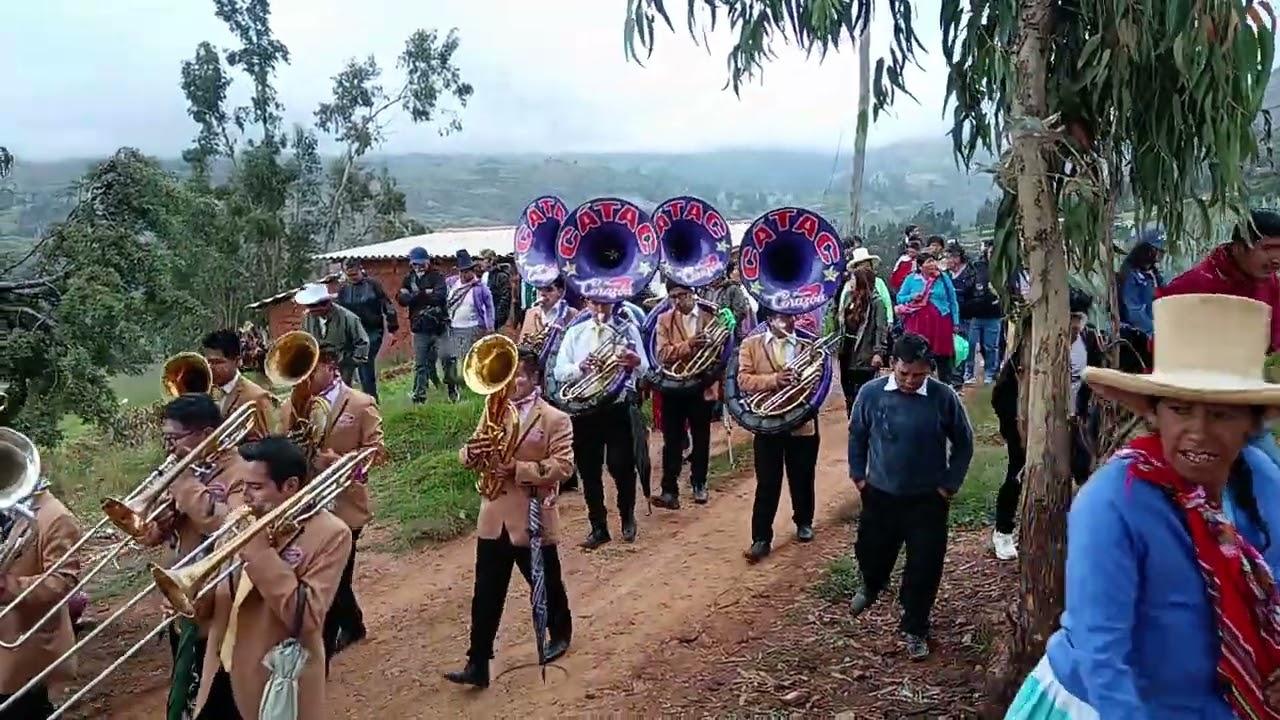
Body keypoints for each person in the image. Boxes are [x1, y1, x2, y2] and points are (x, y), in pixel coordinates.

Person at [1005, 293, 1280, 719]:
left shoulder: (1261, 480)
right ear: (1154, 415)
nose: (1198, 431)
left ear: (1252, 424)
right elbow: (1103, 656)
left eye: (1222, 415)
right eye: (1180, 410)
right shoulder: (1115, 500)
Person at [189, 436, 352, 720]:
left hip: (271, 682)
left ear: (290, 486)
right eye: (242, 486)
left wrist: (260, 553)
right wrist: (192, 601)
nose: (246, 496)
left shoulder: (331, 534)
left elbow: (307, 618)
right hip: (220, 672)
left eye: (256, 487)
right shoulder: (239, 521)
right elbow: (221, 595)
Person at [445, 349, 574, 689]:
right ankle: (478, 661)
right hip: (494, 515)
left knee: (545, 582)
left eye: (519, 375)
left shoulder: (554, 418)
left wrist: (519, 469)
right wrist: (469, 454)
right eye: (509, 374)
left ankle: (560, 632)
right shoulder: (494, 409)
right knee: (485, 591)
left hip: (531, 514)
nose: (511, 382)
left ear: (534, 379)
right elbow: (472, 447)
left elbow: (564, 466)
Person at [847, 333, 974, 660]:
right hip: (880, 494)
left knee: (924, 567)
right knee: (871, 552)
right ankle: (871, 584)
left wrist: (949, 485)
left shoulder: (943, 397)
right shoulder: (871, 394)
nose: (910, 381)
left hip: (927, 499)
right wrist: (859, 476)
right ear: (892, 365)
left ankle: (914, 625)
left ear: (929, 370)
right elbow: (857, 435)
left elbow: (964, 443)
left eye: (918, 375)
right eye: (904, 373)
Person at [136, 393, 248, 720]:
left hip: (217, 601)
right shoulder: (181, 469)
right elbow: (152, 536)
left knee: (217, 694)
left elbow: (230, 524)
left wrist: (185, 485)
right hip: (180, 598)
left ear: (205, 433)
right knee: (187, 688)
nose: (169, 448)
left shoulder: (239, 471)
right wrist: (156, 525)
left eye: (174, 439)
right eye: (165, 439)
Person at [280, 345, 386, 666]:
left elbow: (376, 454)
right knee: (323, 575)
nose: (307, 378)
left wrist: (338, 462)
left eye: (313, 370)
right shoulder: (292, 406)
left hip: (345, 506)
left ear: (330, 366)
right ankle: (352, 624)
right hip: (307, 505)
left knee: (338, 575)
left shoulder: (361, 403)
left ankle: (325, 644)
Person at [989, 296, 1104, 561]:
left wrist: (1088, 418)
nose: (1074, 325)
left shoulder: (1089, 344)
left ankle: (1081, 532)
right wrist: (1016, 426)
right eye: (1069, 317)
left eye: (1079, 318)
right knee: (1020, 473)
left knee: (1083, 473)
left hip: (1074, 423)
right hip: (1032, 424)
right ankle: (1003, 532)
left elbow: (1095, 382)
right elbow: (1002, 392)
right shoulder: (1033, 345)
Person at [552, 300, 649, 548]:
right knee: (589, 471)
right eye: (595, 303)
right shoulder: (575, 332)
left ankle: (627, 516)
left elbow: (646, 369)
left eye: (605, 304)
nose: (600, 309)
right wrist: (579, 368)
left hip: (616, 407)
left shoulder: (628, 331)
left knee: (621, 466)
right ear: (586, 304)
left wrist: (635, 362)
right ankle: (598, 527)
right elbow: (559, 371)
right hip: (584, 411)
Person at [737, 310, 822, 562]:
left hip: (801, 421)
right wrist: (775, 380)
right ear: (768, 320)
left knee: (803, 476)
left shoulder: (808, 345)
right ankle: (761, 538)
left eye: (790, 316)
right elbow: (743, 380)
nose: (787, 322)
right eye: (779, 317)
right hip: (768, 422)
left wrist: (803, 381)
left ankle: (804, 521)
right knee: (767, 482)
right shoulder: (751, 345)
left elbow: (818, 382)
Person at [0, 465, 82, 720]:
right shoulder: (9, 507)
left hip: (25, 642)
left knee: (23, 710)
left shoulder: (56, 517)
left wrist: (7, 586)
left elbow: (62, 581)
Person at [1161, 208, 1280, 352]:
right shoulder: (1191, 287)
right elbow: (1164, 349)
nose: (1276, 260)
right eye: (1268, 249)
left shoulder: (1271, 283)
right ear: (1239, 246)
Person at [651, 281, 718, 509]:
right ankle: (669, 489)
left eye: (682, 295)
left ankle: (699, 482)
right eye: (673, 297)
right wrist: (688, 345)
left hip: (701, 384)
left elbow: (720, 353)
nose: (678, 301)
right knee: (672, 439)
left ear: (693, 294)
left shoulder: (710, 318)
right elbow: (662, 354)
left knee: (701, 437)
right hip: (674, 386)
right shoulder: (664, 320)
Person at [334, 259, 398, 403]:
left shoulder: (373, 285)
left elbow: (388, 306)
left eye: (355, 274)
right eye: (349, 275)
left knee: (365, 364)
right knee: (345, 366)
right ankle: (346, 403)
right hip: (351, 334)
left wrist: (392, 329)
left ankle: (371, 401)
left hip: (372, 331)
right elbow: (338, 312)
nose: (353, 278)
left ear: (360, 270)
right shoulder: (344, 290)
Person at [895, 251, 961, 384]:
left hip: (941, 323)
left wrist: (956, 322)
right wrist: (912, 297)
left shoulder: (943, 278)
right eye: (928, 262)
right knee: (918, 353)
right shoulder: (911, 279)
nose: (932, 264)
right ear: (920, 266)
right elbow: (900, 298)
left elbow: (952, 300)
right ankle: (918, 382)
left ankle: (945, 384)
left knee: (942, 356)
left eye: (933, 261)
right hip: (918, 324)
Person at [443, 250, 495, 403]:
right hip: (453, 326)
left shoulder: (479, 287)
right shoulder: (451, 284)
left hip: (472, 326)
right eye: (465, 271)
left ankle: (474, 384)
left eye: (470, 271)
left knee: (469, 357)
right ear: (460, 272)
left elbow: (489, 306)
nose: (468, 274)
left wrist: (489, 324)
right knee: (453, 358)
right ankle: (458, 386)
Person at [201, 329, 273, 440]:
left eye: (217, 362)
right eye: (207, 362)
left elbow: (263, 445)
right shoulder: (204, 392)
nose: (210, 368)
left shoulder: (256, 397)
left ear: (237, 361)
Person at [836, 265, 889, 415]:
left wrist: (879, 352)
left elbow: (881, 329)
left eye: (853, 278)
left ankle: (866, 421)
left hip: (865, 351)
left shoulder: (876, 302)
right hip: (846, 351)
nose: (850, 281)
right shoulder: (847, 297)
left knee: (864, 390)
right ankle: (852, 420)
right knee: (848, 389)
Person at [398, 247, 448, 403]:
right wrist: (424, 293)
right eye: (415, 264)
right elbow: (402, 300)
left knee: (447, 360)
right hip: (419, 327)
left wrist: (414, 295)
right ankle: (419, 396)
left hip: (439, 326)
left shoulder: (437, 276)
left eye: (421, 263)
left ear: (427, 261)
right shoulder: (409, 278)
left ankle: (452, 392)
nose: (418, 267)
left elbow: (439, 297)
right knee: (420, 364)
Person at [294, 283, 369, 387]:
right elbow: (305, 339)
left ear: (327, 303)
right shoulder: (307, 318)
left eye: (315, 306)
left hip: (343, 364)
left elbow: (362, 343)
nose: (312, 310)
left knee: (341, 396)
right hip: (319, 366)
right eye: (310, 306)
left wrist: (352, 362)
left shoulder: (348, 318)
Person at [957, 241, 1003, 385]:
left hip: (994, 314)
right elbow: (968, 287)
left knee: (991, 346)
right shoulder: (978, 267)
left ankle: (990, 373)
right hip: (975, 314)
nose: (992, 256)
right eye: (990, 253)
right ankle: (968, 373)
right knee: (970, 345)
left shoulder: (1003, 268)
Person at [517, 276, 577, 352]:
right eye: (539, 289)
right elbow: (521, 344)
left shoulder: (572, 314)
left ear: (560, 292)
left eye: (549, 290)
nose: (542, 293)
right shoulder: (530, 313)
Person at [478, 249, 514, 332]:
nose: (481, 263)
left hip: (497, 320)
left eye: (483, 260)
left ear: (491, 261)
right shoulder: (484, 276)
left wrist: (497, 318)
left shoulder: (501, 276)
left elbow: (505, 299)